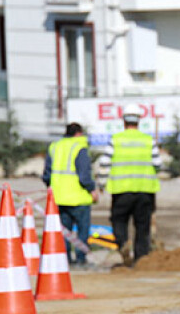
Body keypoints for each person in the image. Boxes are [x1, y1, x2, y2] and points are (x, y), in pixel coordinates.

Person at [95, 104, 162, 267]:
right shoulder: (148, 140)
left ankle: (123, 244)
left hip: (121, 191)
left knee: (119, 221)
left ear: (123, 120)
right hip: (145, 190)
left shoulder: (116, 140)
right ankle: (140, 259)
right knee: (142, 227)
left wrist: (101, 184)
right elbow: (158, 164)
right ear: (139, 120)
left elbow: (104, 163)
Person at [42, 122, 100, 266]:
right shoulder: (79, 148)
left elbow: (46, 174)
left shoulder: (54, 147)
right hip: (79, 198)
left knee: (64, 232)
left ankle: (65, 260)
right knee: (82, 231)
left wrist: (52, 187)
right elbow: (84, 175)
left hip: (59, 197)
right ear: (79, 133)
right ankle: (81, 259)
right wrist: (92, 189)